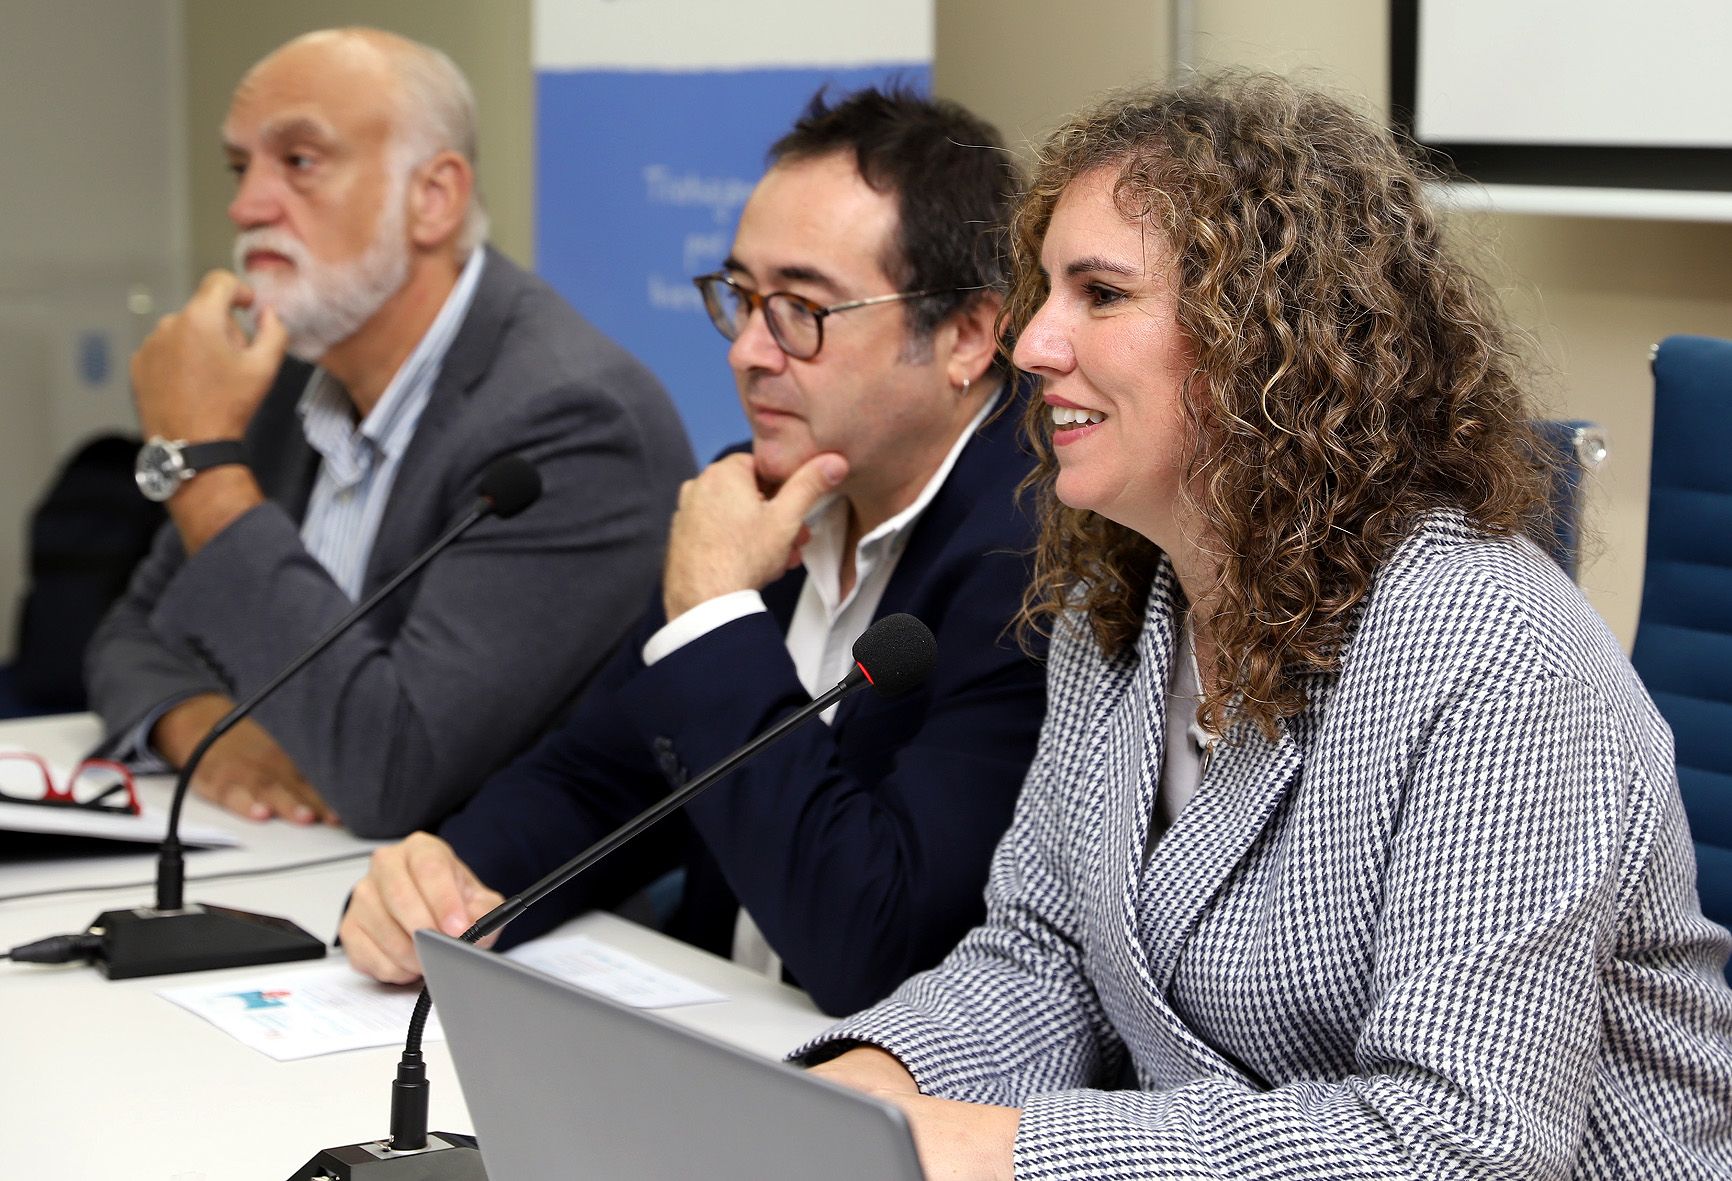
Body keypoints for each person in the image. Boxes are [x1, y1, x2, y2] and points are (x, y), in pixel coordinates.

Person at [802, 75, 1732, 1177]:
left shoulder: (1493, 647)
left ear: (1265, 343)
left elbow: (1458, 1146)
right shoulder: (1126, 608)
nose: (1031, 344)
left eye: (1099, 293)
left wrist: (1008, 1148)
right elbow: (1045, 954)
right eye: (1041, 290)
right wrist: (875, 1083)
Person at [338, 88, 1047, 1017]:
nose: (748, 351)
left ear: (966, 336)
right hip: (720, 1040)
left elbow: (876, 942)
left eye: (801, 308)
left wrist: (714, 612)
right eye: (743, 299)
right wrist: (445, 883)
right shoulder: (753, 495)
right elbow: (602, 774)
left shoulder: (1036, 557)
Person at [84, 29, 694, 837]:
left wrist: (201, 466)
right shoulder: (290, 374)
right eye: (241, 167)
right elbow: (129, 636)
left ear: (433, 197)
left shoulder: (572, 421)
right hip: (292, 868)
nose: (245, 206)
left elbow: (391, 771)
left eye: (298, 161)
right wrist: (205, 729)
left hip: (503, 929)